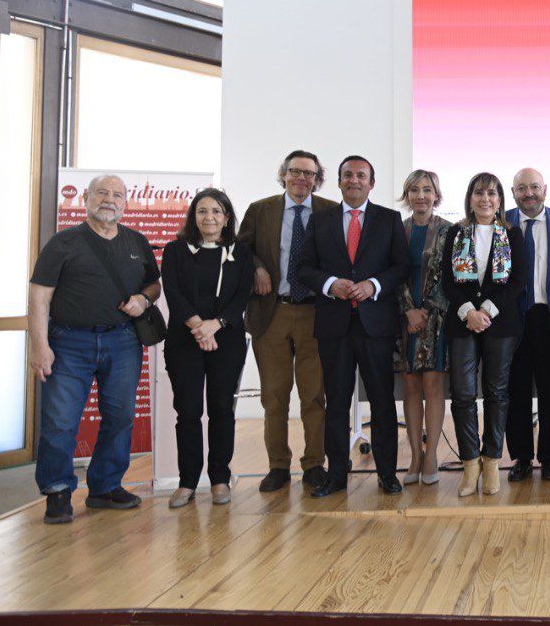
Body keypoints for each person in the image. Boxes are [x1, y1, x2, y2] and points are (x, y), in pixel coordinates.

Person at [28, 174, 161, 524]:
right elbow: (40, 294)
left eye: (117, 195)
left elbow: (154, 284)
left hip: (123, 341)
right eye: (102, 192)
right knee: (60, 420)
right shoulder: (64, 242)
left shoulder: (137, 241)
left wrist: (142, 300)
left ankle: (104, 487)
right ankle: (57, 491)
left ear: (125, 204)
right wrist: (40, 345)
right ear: (85, 198)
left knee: (120, 416)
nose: (109, 199)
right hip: (69, 342)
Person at [294, 155, 408, 498]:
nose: (354, 180)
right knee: (337, 403)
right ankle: (337, 476)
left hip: (376, 326)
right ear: (338, 181)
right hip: (334, 325)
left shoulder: (390, 220)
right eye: (347, 175)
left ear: (372, 183)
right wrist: (330, 283)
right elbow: (303, 268)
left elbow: (401, 266)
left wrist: (374, 284)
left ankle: (387, 474)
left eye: (361, 175)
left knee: (383, 402)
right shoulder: (320, 220)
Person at [237, 150, 338, 493]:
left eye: (309, 174)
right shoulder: (260, 210)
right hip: (273, 312)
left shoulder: (330, 211)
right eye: (295, 171)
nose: (301, 178)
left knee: (313, 396)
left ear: (317, 179)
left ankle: (314, 464)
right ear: (283, 175)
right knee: (274, 396)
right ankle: (278, 465)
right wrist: (256, 267)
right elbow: (240, 250)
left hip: (315, 313)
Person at [160, 188, 253, 508]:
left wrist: (217, 325)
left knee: (221, 410)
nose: (209, 217)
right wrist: (199, 327)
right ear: (193, 216)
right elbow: (173, 293)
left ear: (227, 218)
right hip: (183, 340)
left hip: (226, 339)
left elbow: (242, 294)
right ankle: (187, 482)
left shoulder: (240, 252)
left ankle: (219, 479)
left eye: (216, 211)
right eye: (202, 211)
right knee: (187, 411)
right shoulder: (174, 250)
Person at [441, 173, 527, 497]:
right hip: (462, 322)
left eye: (491, 194)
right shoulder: (455, 232)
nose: (485, 199)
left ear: (500, 200)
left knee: (496, 392)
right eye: (479, 193)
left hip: (500, 323)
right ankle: (469, 464)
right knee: (463, 394)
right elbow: (448, 280)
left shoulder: (512, 234)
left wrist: (487, 310)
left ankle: (491, 461)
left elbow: (518, 280)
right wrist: (468, 312)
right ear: (470, 198)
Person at [505, 168, 550, 483]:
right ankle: (521, 457)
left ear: (545, 189)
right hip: (512, 320)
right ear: (513, 192)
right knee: (515, 392)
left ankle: (549, 457)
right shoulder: (500, 221)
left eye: (534, 187)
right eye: (522, 188)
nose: (529, 193)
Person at [397, 169, 452, 485]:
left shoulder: (449, 231)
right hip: (405, 320)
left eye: (427, 189)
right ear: (407, 195)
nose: (421, 195)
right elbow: (392, 272)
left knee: (432, 385)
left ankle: (431, 456)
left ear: (436, 195)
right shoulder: (397, 230)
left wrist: (425, 311)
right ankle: (415, 456)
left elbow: (451, 277)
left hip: (438, 319)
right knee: (411, 386)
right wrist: (408, 311)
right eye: (414, 190)